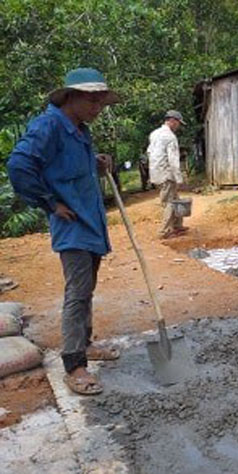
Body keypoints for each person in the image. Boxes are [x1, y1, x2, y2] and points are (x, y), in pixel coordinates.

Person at [7, 67, 121, 395]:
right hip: (72, 226)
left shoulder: (80, 131)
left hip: (91, 222)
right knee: (77, 293)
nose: (97, 108)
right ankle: (75, 364)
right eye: (92, 100)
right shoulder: (49, 126)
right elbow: (19, 166)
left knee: (87, 289)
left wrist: (96, 164)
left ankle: (84, 345)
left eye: (101, 102)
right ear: (70, 97)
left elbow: (74, 170)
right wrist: (50, 203)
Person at [147, 110, 188, 239]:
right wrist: (179, 178)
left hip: (156, 172)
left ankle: (177, 226)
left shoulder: (154, 134)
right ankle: (164, 232)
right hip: (166, 173)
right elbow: (173, 160)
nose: (178, 126)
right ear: (172, 121)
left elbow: (149, 152)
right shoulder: (170, 137)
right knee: (169, 202)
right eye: (178, 123)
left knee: (175, 198)